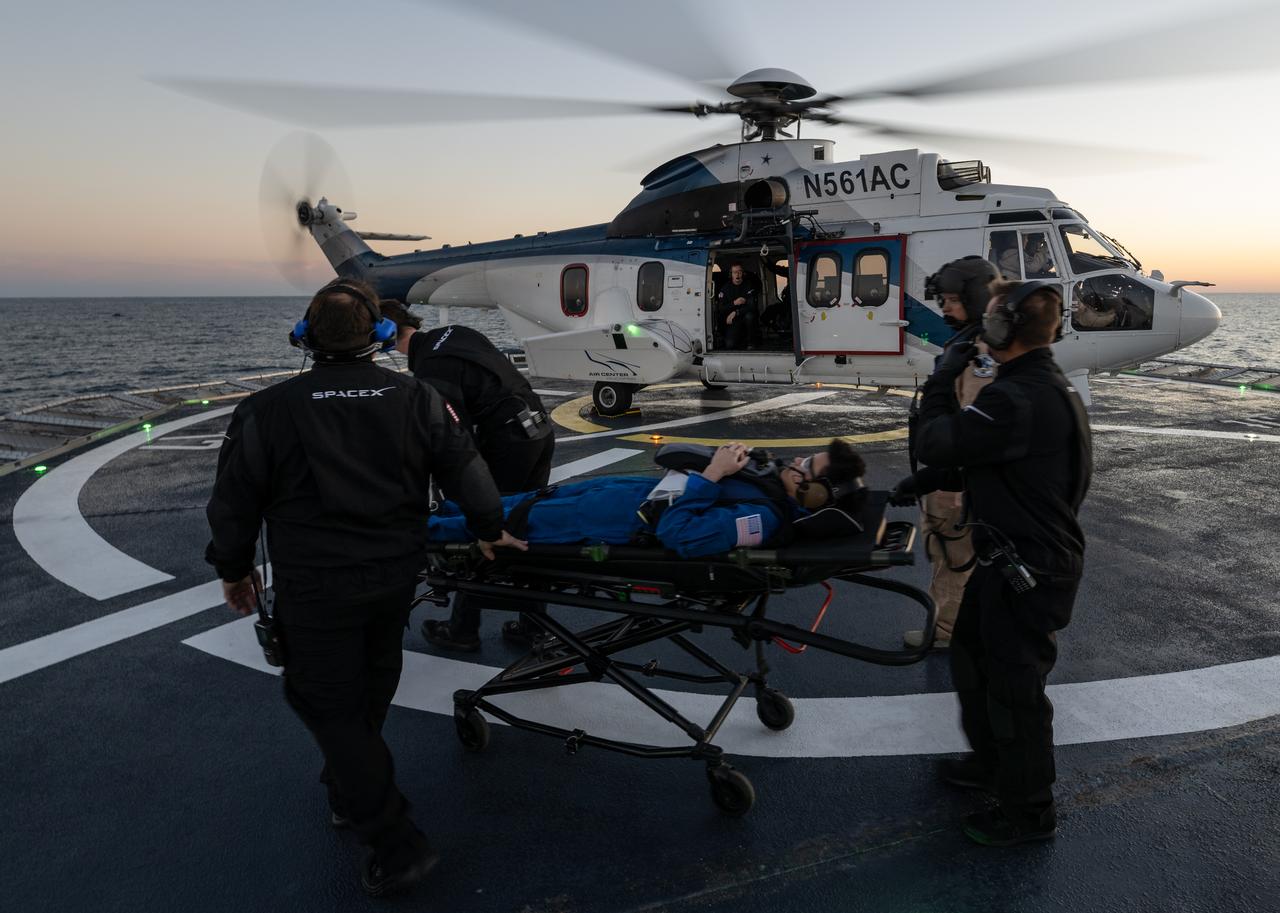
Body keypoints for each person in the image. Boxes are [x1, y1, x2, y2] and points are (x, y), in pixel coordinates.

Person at [205, 278, 525, 897]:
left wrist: (233, 570)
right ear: (379, 337)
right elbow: (467, 469)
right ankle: (349, 790)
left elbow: (234, 502)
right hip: (394, 578)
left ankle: (395, 841)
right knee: (373, 682)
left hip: (316, 587)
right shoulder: (419, 397)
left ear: (304, 337)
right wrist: (489, 530)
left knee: (323, 702)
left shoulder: (267, 410)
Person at [914, 278, 1093, 847]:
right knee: (971, 659)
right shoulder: (1038, 386)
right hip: (1009, 561)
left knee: (1016, 694)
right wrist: (933, 481)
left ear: (1002, 330)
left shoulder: (1015, 396)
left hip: (1029, 569)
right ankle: (992, 766)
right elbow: (997, 459)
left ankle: (1029, 813)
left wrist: (943, 376)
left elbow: (938, 439)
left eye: (990, 320)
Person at [380, 301, 554, 653]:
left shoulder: (431, 370)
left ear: (382, 335)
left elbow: (455, 440)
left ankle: (462, 630)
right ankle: (533, 627)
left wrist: (459, 494)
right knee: (527, 525)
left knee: (484, 530)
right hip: (538, 429)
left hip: (510, 442)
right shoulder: (456, 333)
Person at [429, 440, 867, 557]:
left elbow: (683, 536)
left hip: (612, 521)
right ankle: (433, 510)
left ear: (812, 494)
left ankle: (405, 529)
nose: (797, 461)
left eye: (807, 466)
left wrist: (713, 474)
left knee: (509, 520)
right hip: (618, 494)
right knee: (518, 500)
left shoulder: (761, 520)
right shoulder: (771, 486)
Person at [890, 256, 999, 650]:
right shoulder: (970, 341)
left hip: (956, 487)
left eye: (953, 300)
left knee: (954, 560)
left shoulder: (978, 351)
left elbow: (970, 427)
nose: (945, 308)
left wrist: (943, 479)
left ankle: (947, 633)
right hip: (952, 477)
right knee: (948, 557)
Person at [714, 263, 760, 349]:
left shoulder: (748, 285)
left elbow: (752, 306)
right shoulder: (725, 288)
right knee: (730, 344)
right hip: (733, 320)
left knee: (750, 316)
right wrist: (734, 303)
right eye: (735, 272)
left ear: (743, 273)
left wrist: (736, 312)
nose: (737, 274)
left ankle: (751, 343)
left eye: (739, 272)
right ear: (731, 274)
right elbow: (721, 308)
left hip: (744, 316)